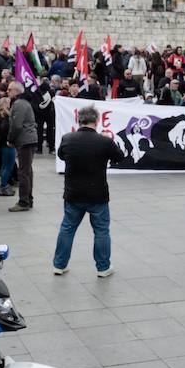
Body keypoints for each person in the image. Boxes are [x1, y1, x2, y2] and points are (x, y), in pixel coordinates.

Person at [53, 105, 125, 276]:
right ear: (96, 120)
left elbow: (61, 155)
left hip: (73, 193)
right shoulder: (104, 141)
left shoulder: (67, 138)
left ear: (79, 120)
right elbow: (119, 157)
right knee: (101, 230)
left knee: (67, 228)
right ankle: (103, 267)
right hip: (97, 193)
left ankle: (59, 265)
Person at [7, 82, 38, 212]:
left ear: (16, 91)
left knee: (23, 172)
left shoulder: (19, 104)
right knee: (27, 170)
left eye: (10, 89)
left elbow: (17, 125)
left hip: (24, 140)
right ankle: (28, 199)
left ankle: (23, 201)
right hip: (29, 139)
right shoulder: (24, 103)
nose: (7, 91)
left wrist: (10, 139)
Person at [0, 96, 18, 196]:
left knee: (5, 166)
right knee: (8, 166)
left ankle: (4, 185)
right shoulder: (6, 118)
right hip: (7, 145)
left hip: (2, 145)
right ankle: (3, 186)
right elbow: (5, 130)